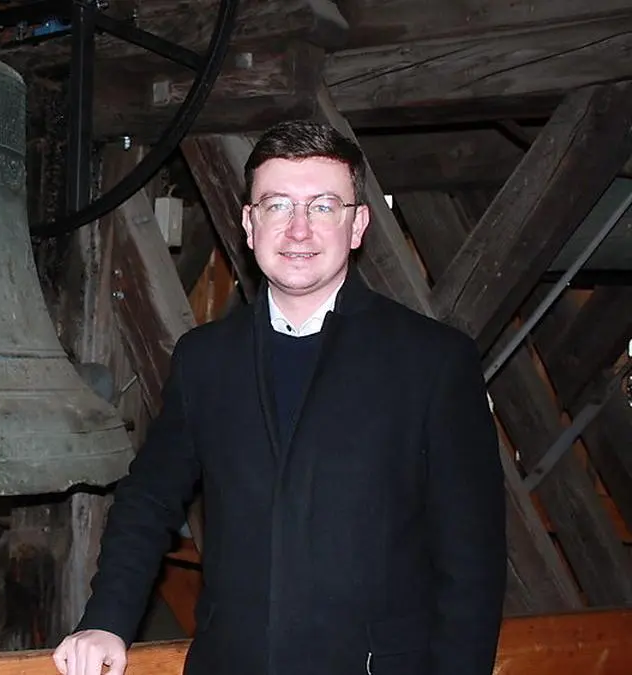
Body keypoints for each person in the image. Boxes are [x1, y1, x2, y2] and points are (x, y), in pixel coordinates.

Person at [51, 120, 506, 675]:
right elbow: (148, 499)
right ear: (248, 223)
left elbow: (472, 561)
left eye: (322, 206)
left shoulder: (434, 360)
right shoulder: (205, 359)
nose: (298, 229)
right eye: (276, 205)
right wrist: (107, 619)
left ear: (357, 224)